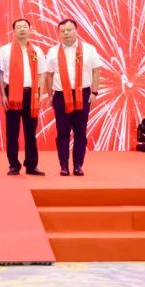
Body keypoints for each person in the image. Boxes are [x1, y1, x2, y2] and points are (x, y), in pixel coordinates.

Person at [46, 18, 102, 176]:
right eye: (62, 31)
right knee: (62, 132)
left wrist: (94, 92)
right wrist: (50, 95)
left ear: (76, 31)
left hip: (83, 94)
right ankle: (63, 165)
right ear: (59, 33)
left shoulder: (89, 49)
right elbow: (49, 75)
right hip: (60, 95)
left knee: (80, 132)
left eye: (69, 30)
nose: (66, 33)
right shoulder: (53, 51)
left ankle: (78, 165)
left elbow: (96, 70)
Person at [0, 18, 47, 176]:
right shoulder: (5, 50)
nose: (22, 29)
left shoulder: (37, 50)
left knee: (31, 132)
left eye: (25, 26)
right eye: (18, 27)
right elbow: (1, 74)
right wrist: (3, 94)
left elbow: (42, 73)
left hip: (31, 94)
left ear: (29, 29)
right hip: (11, 93)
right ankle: (14, 165)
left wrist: (39, 94)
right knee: (12, 132)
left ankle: (31, 165)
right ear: (13, 30)